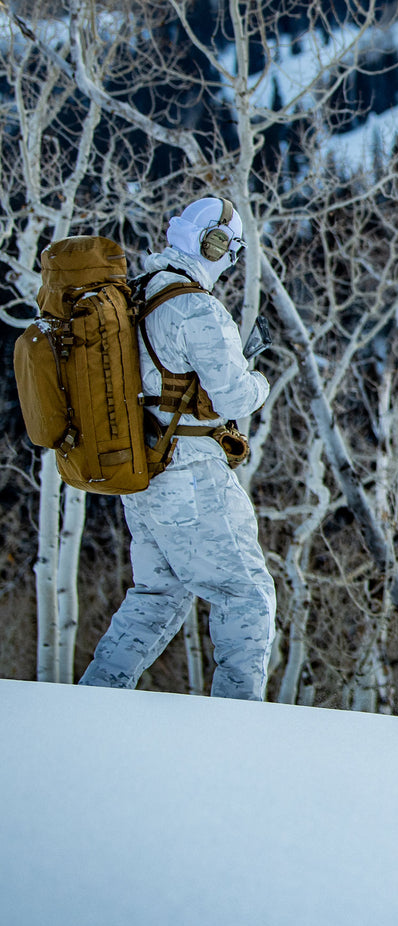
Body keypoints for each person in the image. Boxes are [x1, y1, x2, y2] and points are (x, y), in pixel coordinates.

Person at [79, 197, 276, 700]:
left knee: (158, 593)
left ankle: (92, 702)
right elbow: (234, 395)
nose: (227, 258)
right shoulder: (195, 307)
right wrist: (260, 382)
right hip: (192, 473)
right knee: (247, 595)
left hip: (144, 471)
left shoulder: (138, 295)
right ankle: (237, 722)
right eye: (224, 247)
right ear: (212, 246)